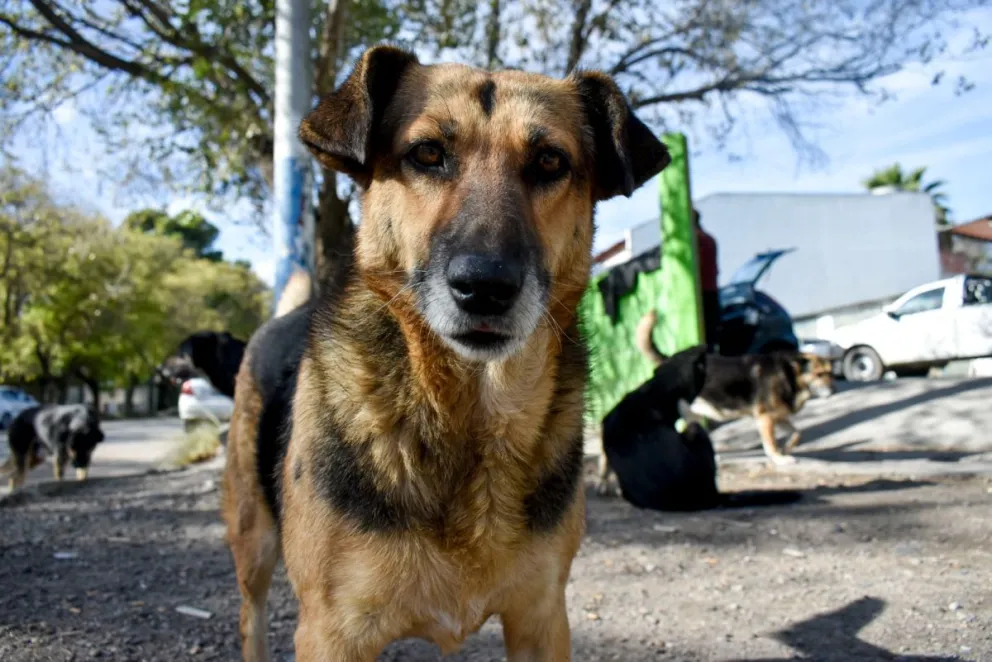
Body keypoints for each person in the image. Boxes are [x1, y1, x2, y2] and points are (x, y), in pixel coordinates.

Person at [693, 208, 720, 351]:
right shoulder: (709, 239)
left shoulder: (696, 241)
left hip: (700, 293)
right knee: (711, 335)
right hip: (712, 291)